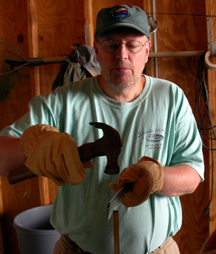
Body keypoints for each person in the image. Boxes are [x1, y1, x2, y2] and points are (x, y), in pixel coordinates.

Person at [0, 5, 204, 254]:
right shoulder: (64, 101)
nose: (121, 54)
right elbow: (2, 156)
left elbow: (192, 174)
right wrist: (32, 144)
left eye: (132, 45)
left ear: (147, 50)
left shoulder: (171, 97)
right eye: (110, 44)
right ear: (96, 50)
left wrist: (158, 178)